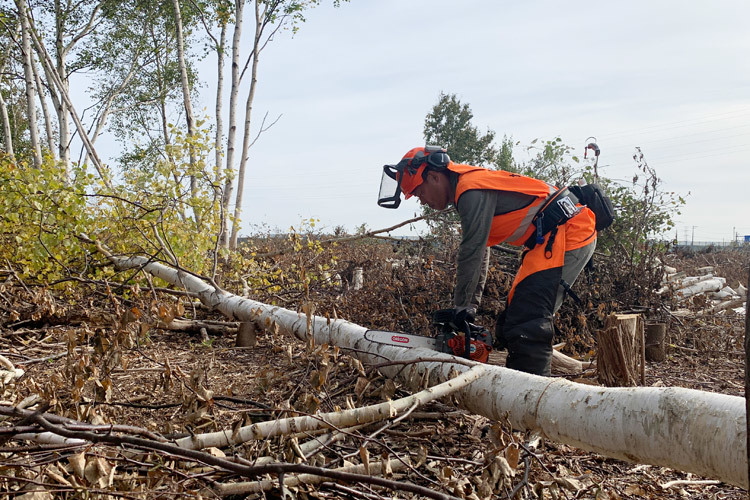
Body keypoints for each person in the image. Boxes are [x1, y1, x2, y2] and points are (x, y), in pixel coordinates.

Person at [377, 146, 597, 376]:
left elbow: (471, 250)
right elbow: (481, 250)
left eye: (420, 192)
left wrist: (461, 307)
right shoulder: (468, 189)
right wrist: (468, 308)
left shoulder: (470, 190)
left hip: (569, 233)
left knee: (528, 324)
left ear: (434, 177)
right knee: (508, 324)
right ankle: (516, 383)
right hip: (550, 240)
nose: (422, 201)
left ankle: (531, 397)